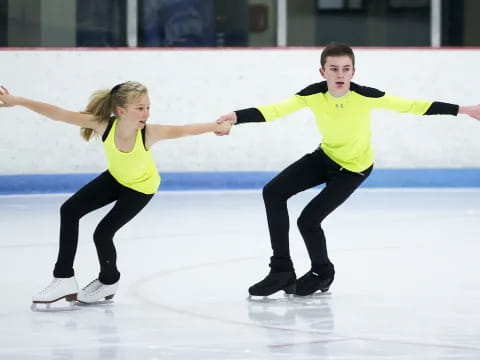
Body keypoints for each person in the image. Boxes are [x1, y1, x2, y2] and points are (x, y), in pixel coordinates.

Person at [216, 42, 480, 297]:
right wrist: (237, 117)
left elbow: (413, 106)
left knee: (308, 220)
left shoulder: (365, 96)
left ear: (354, 71)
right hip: (325, 157)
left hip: (354, 169)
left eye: (345, 68)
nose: (340, 74)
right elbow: (274, 110)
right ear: (322, 72)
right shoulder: (312, 94)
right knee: (273, 192)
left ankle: (322, 273)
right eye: (333, 69)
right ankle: (281, 270)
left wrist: (464, 110)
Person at [0, 81, 232, 306]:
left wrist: (216, 126)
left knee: (102, 233)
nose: (147, 113)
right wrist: (18, 101)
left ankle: (109, 281)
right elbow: (58, 113)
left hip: (141, 188)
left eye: (148, 107)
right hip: (116, 178)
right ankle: (64, 279)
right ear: (121, 110)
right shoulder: (104, 125)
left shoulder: (150, 133)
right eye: (140, 108)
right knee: (69, 210)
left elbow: (184, 130)